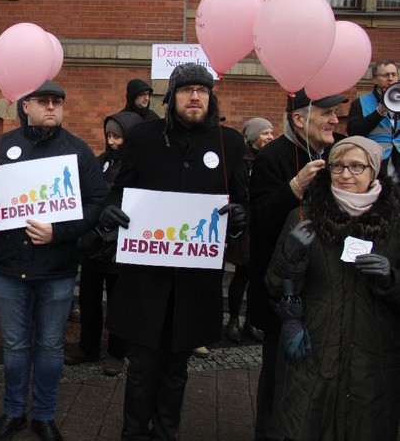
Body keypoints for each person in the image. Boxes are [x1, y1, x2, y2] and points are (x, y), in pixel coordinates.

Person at [101, 63, 248, 440]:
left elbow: (242, 200)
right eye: (186, 90)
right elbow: (119, 190)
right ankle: (133, 433)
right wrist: (111, 209)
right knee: (142, 368)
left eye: (202, 90)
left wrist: (242, 215)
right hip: (146, 281)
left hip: (194, 283)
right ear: (173, 98)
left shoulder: (229, 143)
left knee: (176, 370)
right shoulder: (144, 137)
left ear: (211, 97)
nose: (195, 96)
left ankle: (167, 432)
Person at [0, 80, 107, 441]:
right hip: (11, 267)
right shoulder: (2, 146)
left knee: (49, 345)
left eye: (57, 101)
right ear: (25, 106)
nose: (51, 106)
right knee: (14, 345)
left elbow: (96, 204)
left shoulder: (77, 151)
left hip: (57, 268)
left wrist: (57, 233)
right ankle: (13, 413)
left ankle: (44, 415)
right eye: (43, 101)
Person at [265, 136, 400, 440]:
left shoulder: (395, 222)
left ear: (374, 171)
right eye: (338, 166)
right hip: (315, 356)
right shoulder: (304, 216)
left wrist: (390, 279)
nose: (346, 174)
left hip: (374, 360)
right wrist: (291, 252)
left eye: (356, 166)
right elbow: (274, 284)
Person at [246, 89, 347, 441]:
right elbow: (260, 222)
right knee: (280, 372)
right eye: (327, 113)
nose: (335, 121)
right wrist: (294, 186)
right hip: (284, 289)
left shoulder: (341, 151)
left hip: (330, 287)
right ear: (299, 119)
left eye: (336, 113)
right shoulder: (272, 156)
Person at [64, 111, 142, 377]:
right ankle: (88, 346)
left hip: (121, 245)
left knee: (120, 303)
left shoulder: (140, 167)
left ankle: (118, 352)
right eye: (109, 136)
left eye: (118, 136)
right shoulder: (100, 163)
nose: (113, 142)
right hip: (94, 243)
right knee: (88, 299)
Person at [225, 117, 274, 343]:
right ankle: (233, 320)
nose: (270, 137)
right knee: (242, 275)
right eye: (265, 133)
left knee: (258, 276)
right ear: (254, 136)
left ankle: (251, 321)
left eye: (271, 133)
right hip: (245, 225)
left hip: (262, 222)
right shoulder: (241, 159)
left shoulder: (269, 159)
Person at [347, 60, 400, 182]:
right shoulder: (360, 103)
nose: (390, 78)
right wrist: (379, 112)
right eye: (386, 75)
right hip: (375, 163)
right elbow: (354, 132)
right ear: (374, 79)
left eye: (394, 74)